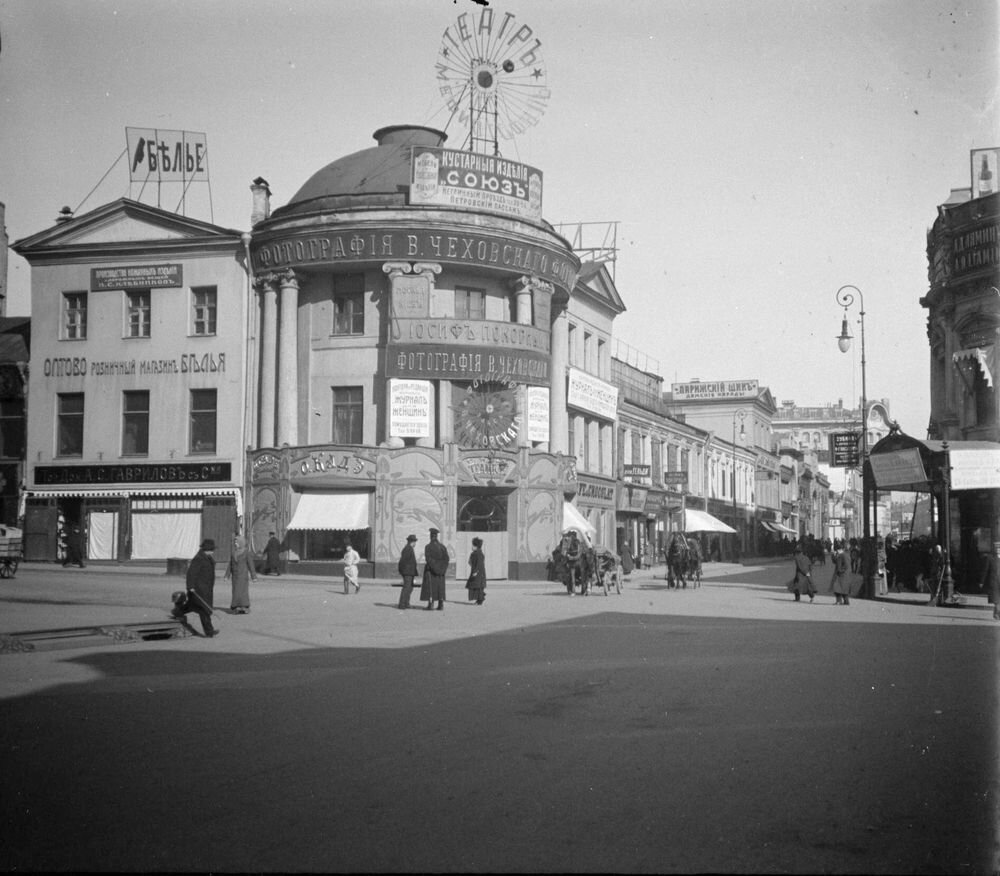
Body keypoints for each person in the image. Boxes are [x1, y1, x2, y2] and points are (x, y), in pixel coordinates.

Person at [173, 538, 218, 637]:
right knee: (204, 609)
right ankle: (209, 632)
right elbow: (191, 573)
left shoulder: (208, 558)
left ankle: (178, 611)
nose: (213, 551)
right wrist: (190, 586)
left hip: (206, 588)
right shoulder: (199, 558)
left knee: (192, 606)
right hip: (199, 589)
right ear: (207, 549)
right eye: (212, 549)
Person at [225, 535, 257, 614]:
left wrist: (254, 577)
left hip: (243, 576)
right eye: (235, 542)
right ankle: (236, 607)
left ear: (241, 542)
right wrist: (227, 575)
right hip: (235, 577)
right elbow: (230, 565)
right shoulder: (233, 553)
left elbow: (251, 565)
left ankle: (244, 607)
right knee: (235, 592)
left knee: (242, 592)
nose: (235, 543)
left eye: (237, 542)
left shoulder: (246, 553)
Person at [421, 527, 449, 610]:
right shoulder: (443, 547)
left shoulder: (428, 547)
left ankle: (431, 604)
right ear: (436, 536)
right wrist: (442, 569)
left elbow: (428, 559)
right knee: (440, 587)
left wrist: (434, 568)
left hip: (431, 571)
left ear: (430, 536)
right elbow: (446, 559)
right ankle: (441, 604)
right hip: (441, 572)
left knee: (431, 587)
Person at [397, 534, 418, 609]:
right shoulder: (408, 549)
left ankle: (406, 603)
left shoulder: (408, 548)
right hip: (407, 572)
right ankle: (402, 604)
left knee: (409, 588)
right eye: (415, 541)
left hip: (409, 572)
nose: (415, 543)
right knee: (406, 588)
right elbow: (403, 561)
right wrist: (404, 571)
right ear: (412, 542)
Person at [980, 541, 1000, 620]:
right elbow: (985, 570)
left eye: (999, 549)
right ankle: (997, 613)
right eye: (997, 549)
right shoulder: (990, 558)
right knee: (996, 599)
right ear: (994, 549)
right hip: (994, 581)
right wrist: (982, 581)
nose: (998, 550)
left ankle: (996, 613)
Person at [466, 536, 487, 605]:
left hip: (479, 573)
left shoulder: (479, 554)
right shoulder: (473, 553)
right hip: (475, 571)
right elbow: (470, 562)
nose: (472, 547)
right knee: (475, 585)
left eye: (473, 545)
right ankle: (479, 599)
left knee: (478, 586)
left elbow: (479, 564)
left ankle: (480, 600)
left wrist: (476, 571)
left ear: (477, 546)